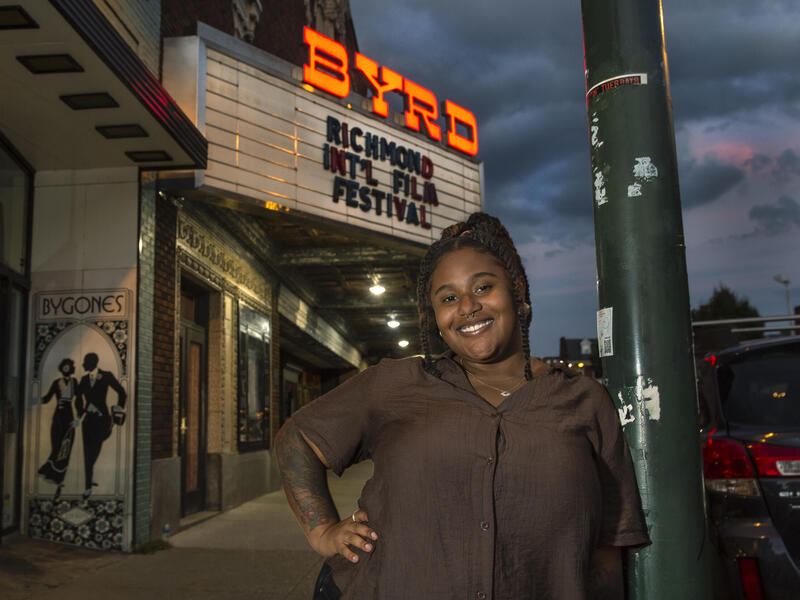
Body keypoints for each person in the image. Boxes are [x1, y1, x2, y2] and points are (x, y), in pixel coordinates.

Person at [275, 212, 650, 599]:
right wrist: (323, 531)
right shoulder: (395, 384)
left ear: (517, 290)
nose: (467, 306)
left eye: (483, 287)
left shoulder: (585, 401)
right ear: (436, 317)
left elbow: (607, 549)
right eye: (449, 298)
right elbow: (297, 439)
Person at [76, 352, 126, 499]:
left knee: (94, 452)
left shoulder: (106, 375)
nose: (84, 365)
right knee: (87, 453)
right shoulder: (84, 379)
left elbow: (121, 392)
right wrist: (81, 412)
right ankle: (87, 486)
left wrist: (118, 407)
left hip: (102, 419)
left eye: (86, 362)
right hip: (88, 420)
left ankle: (89, 478)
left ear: (93, 363)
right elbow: (78, 397)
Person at [37, 358, 80, 498]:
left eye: (68, 367)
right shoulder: (57, 383)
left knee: (66, 448)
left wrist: (78, 418)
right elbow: (47, 397)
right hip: (58, 419)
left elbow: (79, 400)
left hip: (69, 418)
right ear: (62, 368)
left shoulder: (74, 383)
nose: (66, 369)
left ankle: (60, 479)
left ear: (71, 368)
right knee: (56, 447)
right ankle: (51, 474)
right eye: (64, 367)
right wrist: (35, 399)